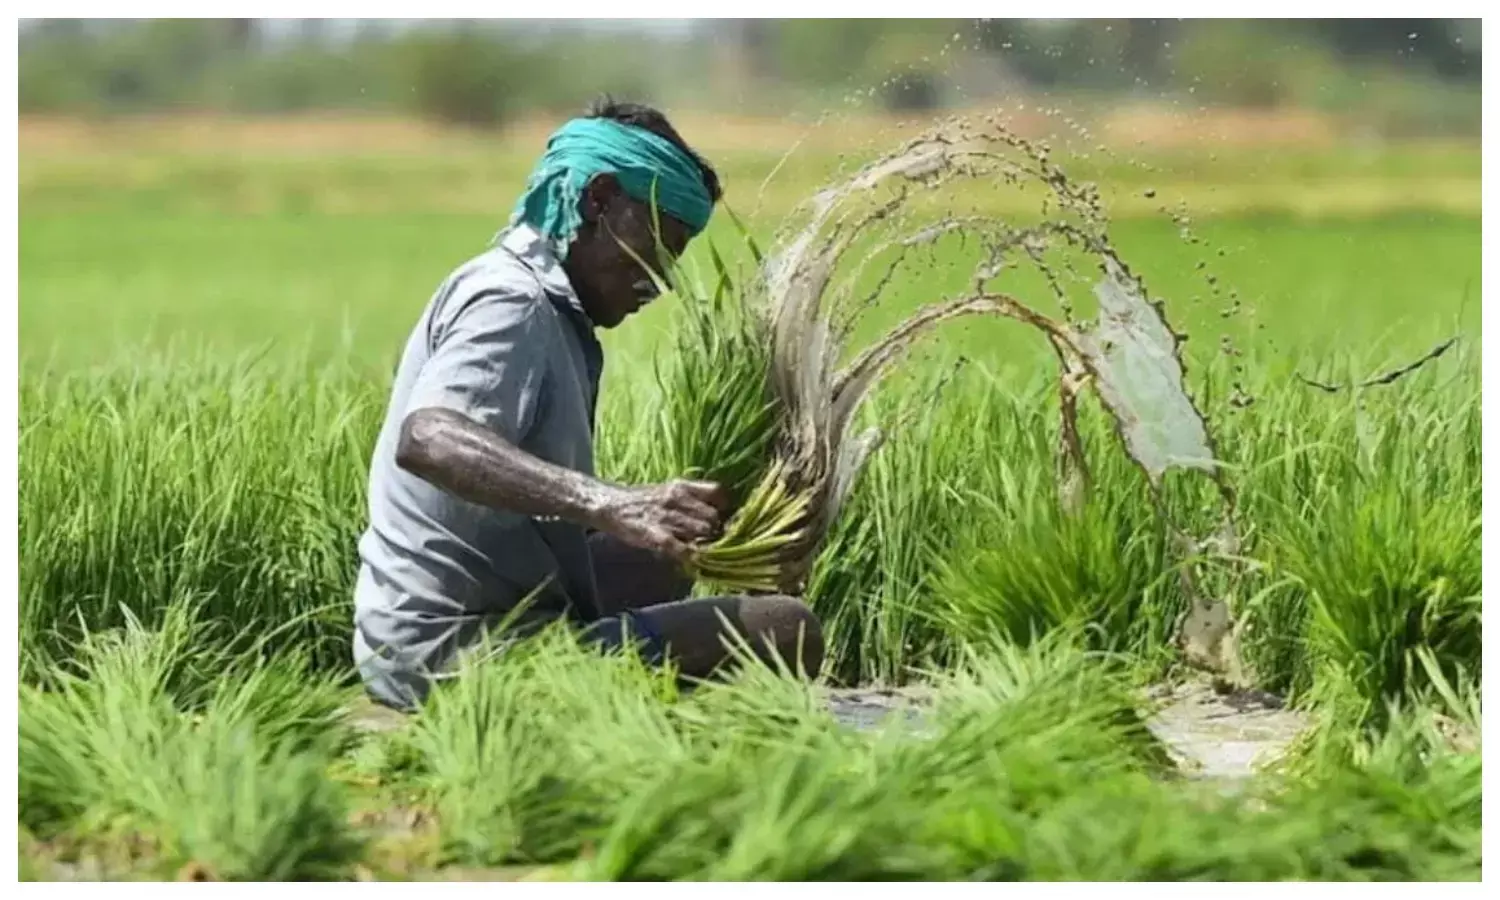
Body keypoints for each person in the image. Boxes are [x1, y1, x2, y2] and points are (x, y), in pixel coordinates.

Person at [352, 97, 824, 711]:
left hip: (445, 630)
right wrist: (610, 502)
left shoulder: (546, 307)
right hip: (453, 654)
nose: (661, 281)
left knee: (669, 561)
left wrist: (711, 532)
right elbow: (429, 438)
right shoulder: (512, 302)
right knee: (788, 628)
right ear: (598, 200)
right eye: (660, 244)